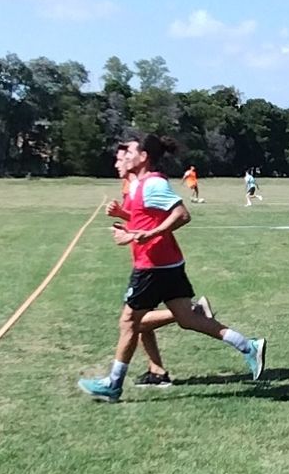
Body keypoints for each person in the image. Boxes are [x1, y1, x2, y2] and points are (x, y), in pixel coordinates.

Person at [78, 134, 266, 402]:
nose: (123, 155)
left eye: (129, 151)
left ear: (143, 157)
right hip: (165, 263)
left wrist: (146, 234)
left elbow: (182, 214)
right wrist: (128, 223)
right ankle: (248, 346)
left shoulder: (153, 183)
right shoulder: (139, 185)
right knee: (188, 319)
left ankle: (113, 384)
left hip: (153, 266)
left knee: (129, 322)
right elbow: (147, 218)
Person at [112, 143, 214, 388]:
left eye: (122, 157)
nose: (118, 163)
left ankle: (115, 383)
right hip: (146, 258)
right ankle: (157, 371)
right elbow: (140, 219)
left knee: (134, 320)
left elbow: (171, 217)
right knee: (138, 320)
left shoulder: (147, 183)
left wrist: (137, 233)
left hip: (155, 260)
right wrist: (123, 217)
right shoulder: (132, 185)